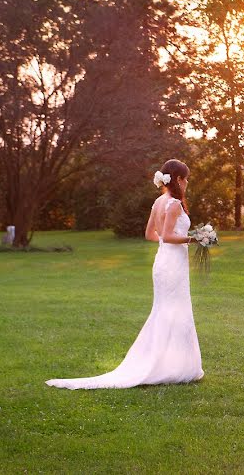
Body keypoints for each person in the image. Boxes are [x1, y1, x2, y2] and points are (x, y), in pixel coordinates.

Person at [46, 159, 204, 389]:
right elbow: (169, 236)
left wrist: (174, 240)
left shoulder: (158, 202)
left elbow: (151, 234)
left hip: (163, 262)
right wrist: (193, 238)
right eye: (186, 178)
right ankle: (173, 366)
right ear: (178, 180)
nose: (187, 182)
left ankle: (169, 363)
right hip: (172, 264)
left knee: (166, 310)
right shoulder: (174, 205)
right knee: (174, 310)